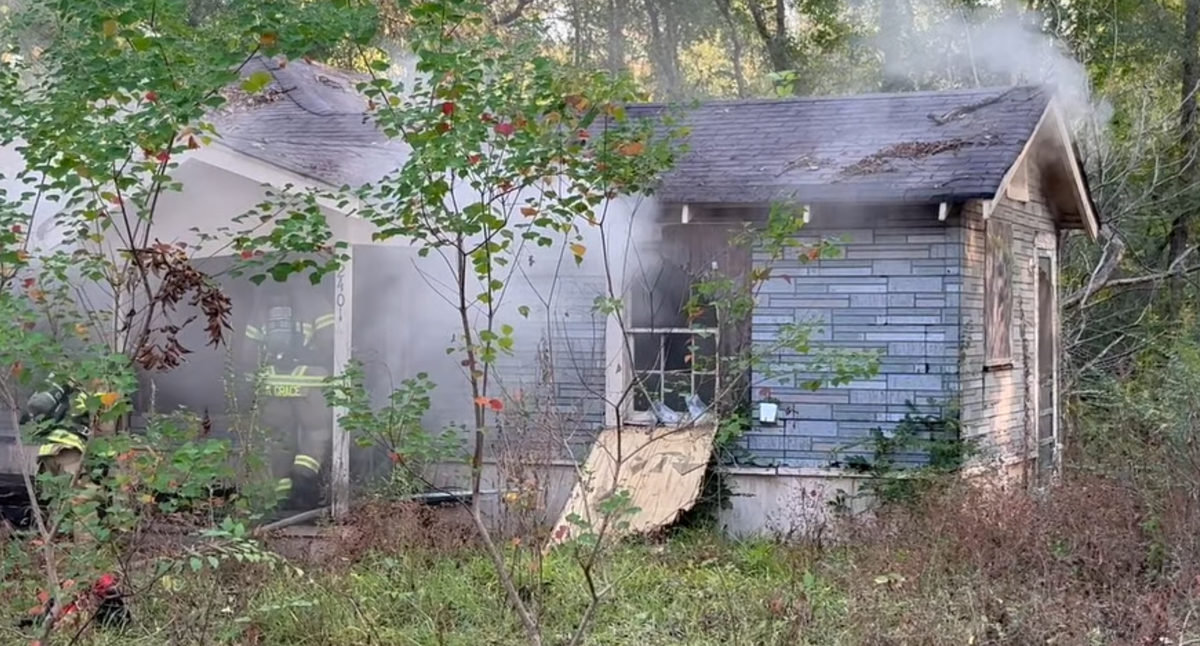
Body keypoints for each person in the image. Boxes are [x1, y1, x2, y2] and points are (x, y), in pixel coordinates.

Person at [241, 278, 335, 512]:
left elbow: (247, 354)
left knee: (279, 439)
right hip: (308, 382)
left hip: (272, 382)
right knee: (316, 433)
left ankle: (281, 499)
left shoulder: (262, 308)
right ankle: (302, 486)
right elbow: (330, 344)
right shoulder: (316, 302)